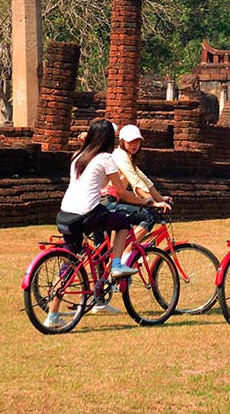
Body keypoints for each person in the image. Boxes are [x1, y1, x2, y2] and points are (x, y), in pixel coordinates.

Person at [45, 118, 158, 328]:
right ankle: (117, 264)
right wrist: (147, 202)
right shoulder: (106, 158)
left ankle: (52, 316)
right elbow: (122, 192)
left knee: (71, 263)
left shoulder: (78, 156)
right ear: (107, 139)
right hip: (87, 214)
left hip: (66, 214)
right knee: (123, 222)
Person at [102, 123, 172, 241]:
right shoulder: (120, 155)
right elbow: (135, 180)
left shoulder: (127, 157)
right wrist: (153, 203)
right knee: (148, 217)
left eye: (137, 141)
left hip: (108, 201)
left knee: (103, 253)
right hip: (105, 202)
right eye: (130, 142)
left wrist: (160, 199)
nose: (134, 145)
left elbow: (144, 180)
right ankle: (126, 253)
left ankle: (122, 255)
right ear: (122, 141)